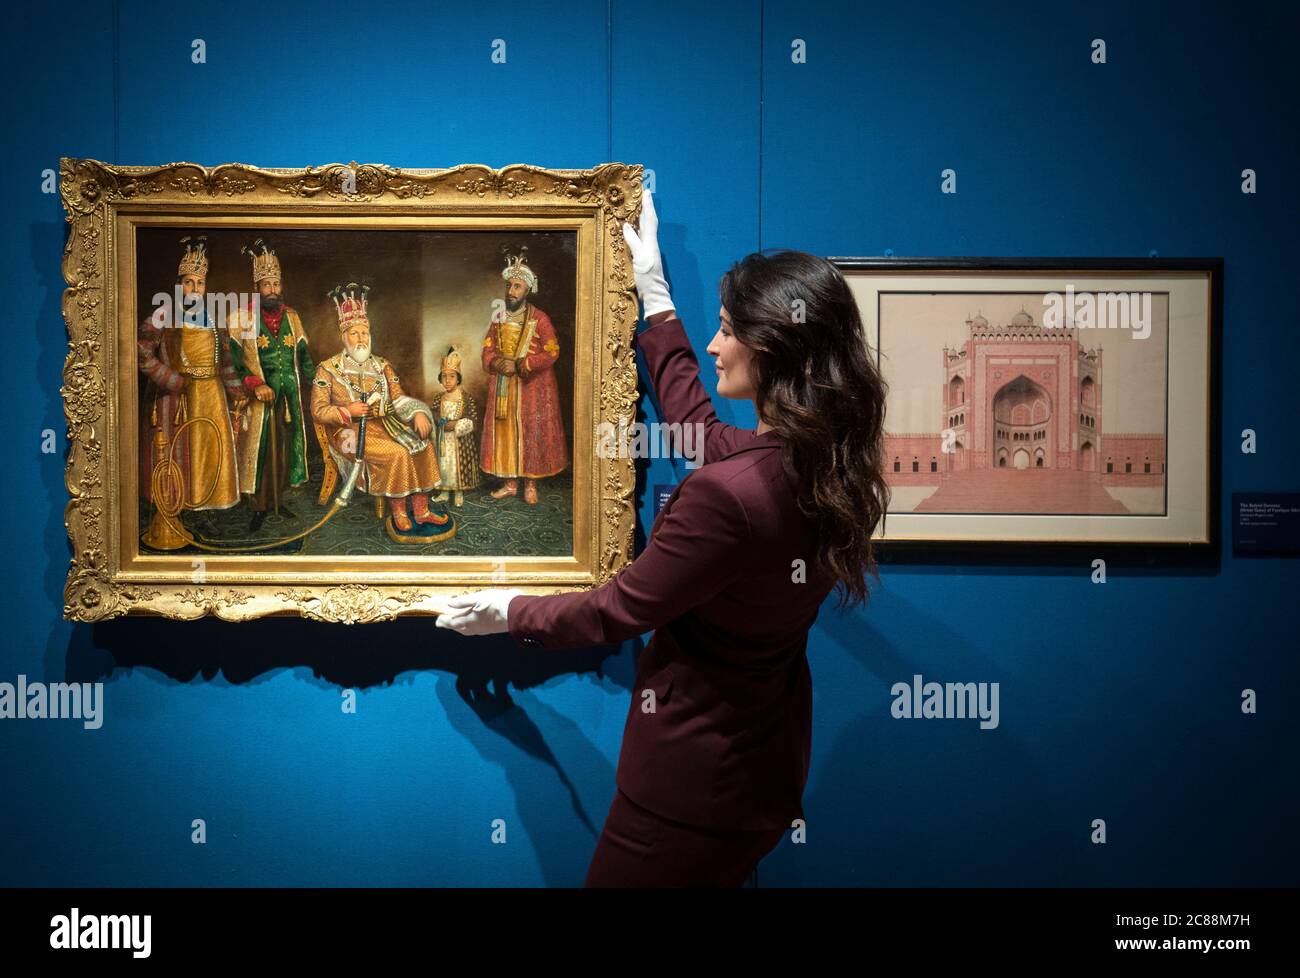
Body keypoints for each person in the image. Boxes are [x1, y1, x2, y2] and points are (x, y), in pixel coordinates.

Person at [436, 192, 891, 887]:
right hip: (758, 780)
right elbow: (704, 436)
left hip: (687, 792)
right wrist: (656, 301)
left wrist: (508, 611)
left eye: (727, 330)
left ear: (768, 348)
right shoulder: (825, 466)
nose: (714, 344)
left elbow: (614, 609)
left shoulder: (731, 495)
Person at [310, 284, 446, 534]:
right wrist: (348, 410)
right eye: (354, 333)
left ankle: (422, 510)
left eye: (365, 332)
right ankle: (399, 512)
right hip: (347, 432)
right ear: (344, 337)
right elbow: (318, 411)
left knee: (424, 445)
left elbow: (398, 397)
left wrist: (417, 413)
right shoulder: (327, 369)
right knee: (397, 453)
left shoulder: (382, 366)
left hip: (384, 425)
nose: (361, 338)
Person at [138, 236, 244, 540]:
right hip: (178, 398)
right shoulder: (163, 314)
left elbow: (225, 362)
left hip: (212, 395)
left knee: (211, 451)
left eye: (199, 283)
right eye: (188, 282)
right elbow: (141, 353)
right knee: (179, 453)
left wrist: (237, 393)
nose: (194, 289)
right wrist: (171, 380)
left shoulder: (213, 317)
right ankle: (179, 511)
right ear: (178, 284)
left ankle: (207, 509)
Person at [227, 239, 316, 533]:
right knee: (261, 453)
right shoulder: (242, 318)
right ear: (257, 288)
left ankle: (277, 500)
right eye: (267, 284)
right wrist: (255, 384)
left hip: (289, 398)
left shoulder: (292, 317)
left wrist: (317, 382)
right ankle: (259, 506)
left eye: (277, 283)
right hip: (260, 399)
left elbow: (304, 357)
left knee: (284, 450)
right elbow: (236, 362)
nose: (273, 290)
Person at [479, 250, 569, 505]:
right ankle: (510, 484)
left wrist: (521, 364)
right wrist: (496, 361)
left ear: (528, 289)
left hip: (532, 388)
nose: (511, 291)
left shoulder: (540, 319)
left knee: (530, 432)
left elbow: (552, 352)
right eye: (509, 286)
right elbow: (487, 347)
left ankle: (530, 484)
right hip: (503, 385)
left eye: (517, 286)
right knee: (505, 434)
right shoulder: (498, 316)